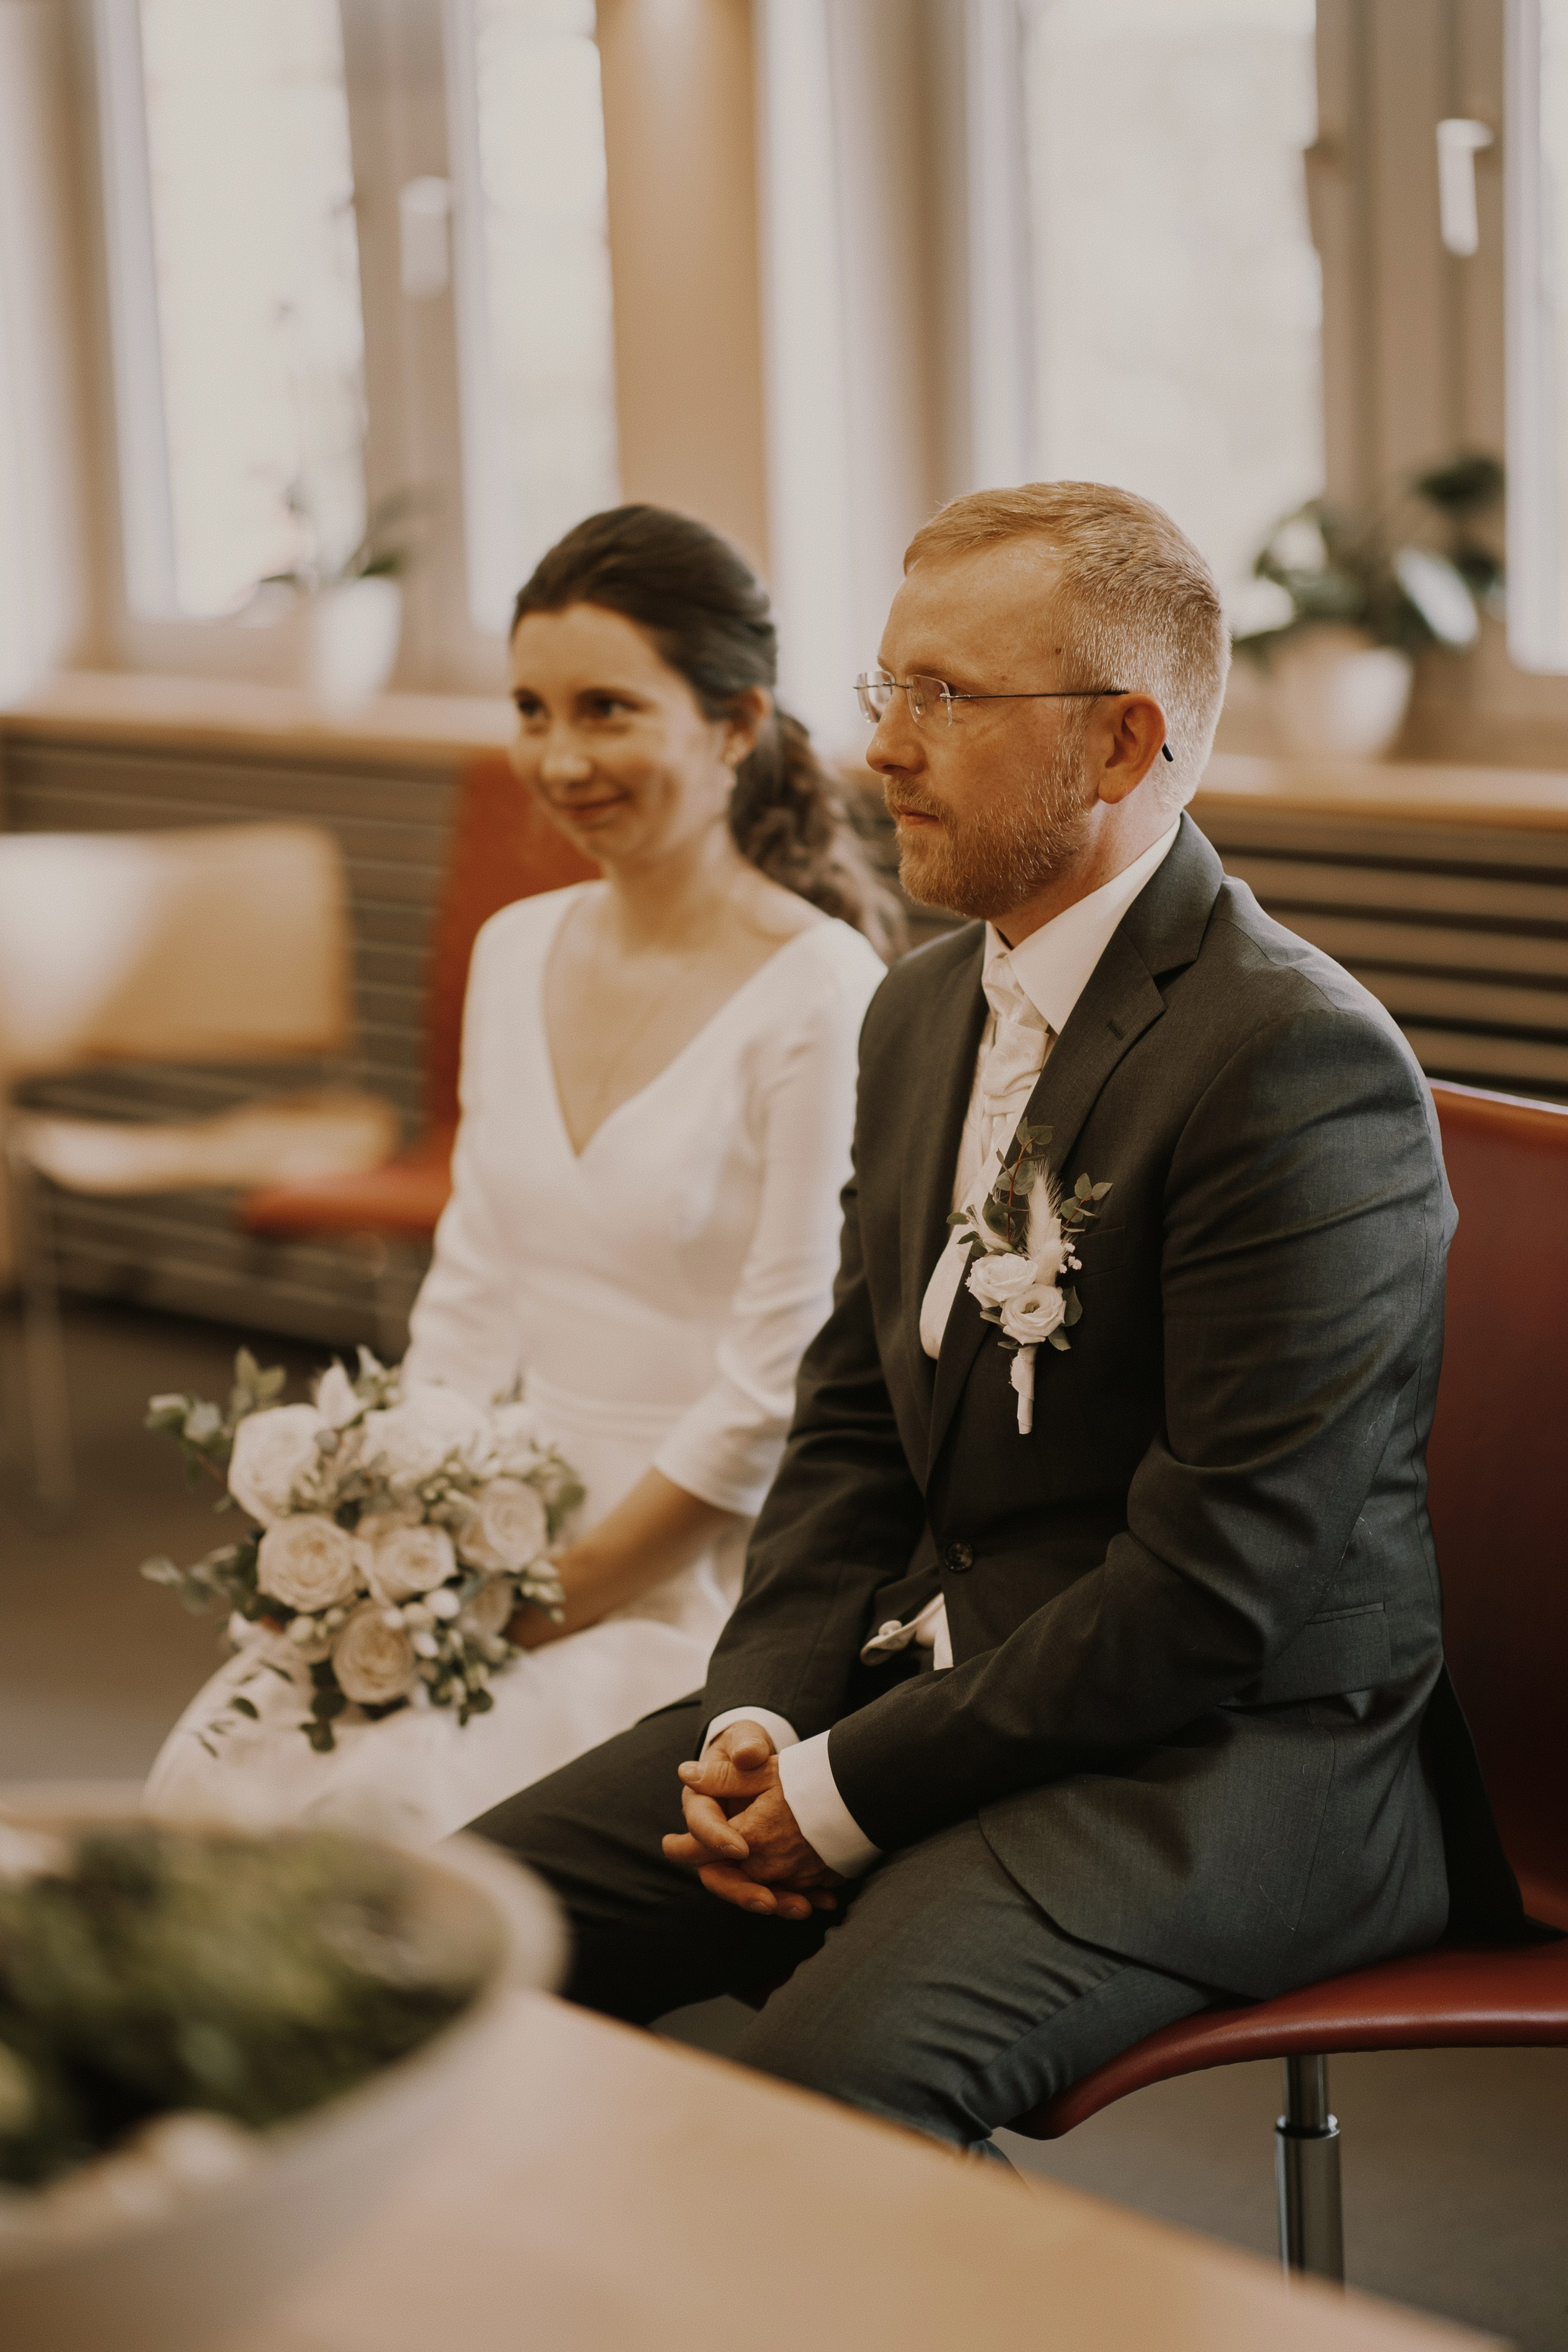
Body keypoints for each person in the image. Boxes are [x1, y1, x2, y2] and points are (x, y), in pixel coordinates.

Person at [469, 481, 1530, 2156]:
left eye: (943, 698)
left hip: (1228, 1766)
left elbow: (1212, 1599)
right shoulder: (917, 1011)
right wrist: (764, 1712)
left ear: (1119, 746)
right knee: (444, 1931)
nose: (878, 746)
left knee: (812, 2110)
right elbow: (848, 1425)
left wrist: (839, 1791)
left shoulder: (1293, 1068)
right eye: (886, 687)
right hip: (936, 1688)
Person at [146, 506, 894, 1840]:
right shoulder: (514, 947)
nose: (558, 757)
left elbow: (778, 1379)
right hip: (487, 1518)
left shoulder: (821, 989)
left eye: (606, 709)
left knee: (391, 1819)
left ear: (733, 723)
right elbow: (472, 1285)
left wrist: (551, 1598)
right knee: (213, 1784)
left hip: (698, 1562)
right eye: (530, 710)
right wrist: (384, 1533)